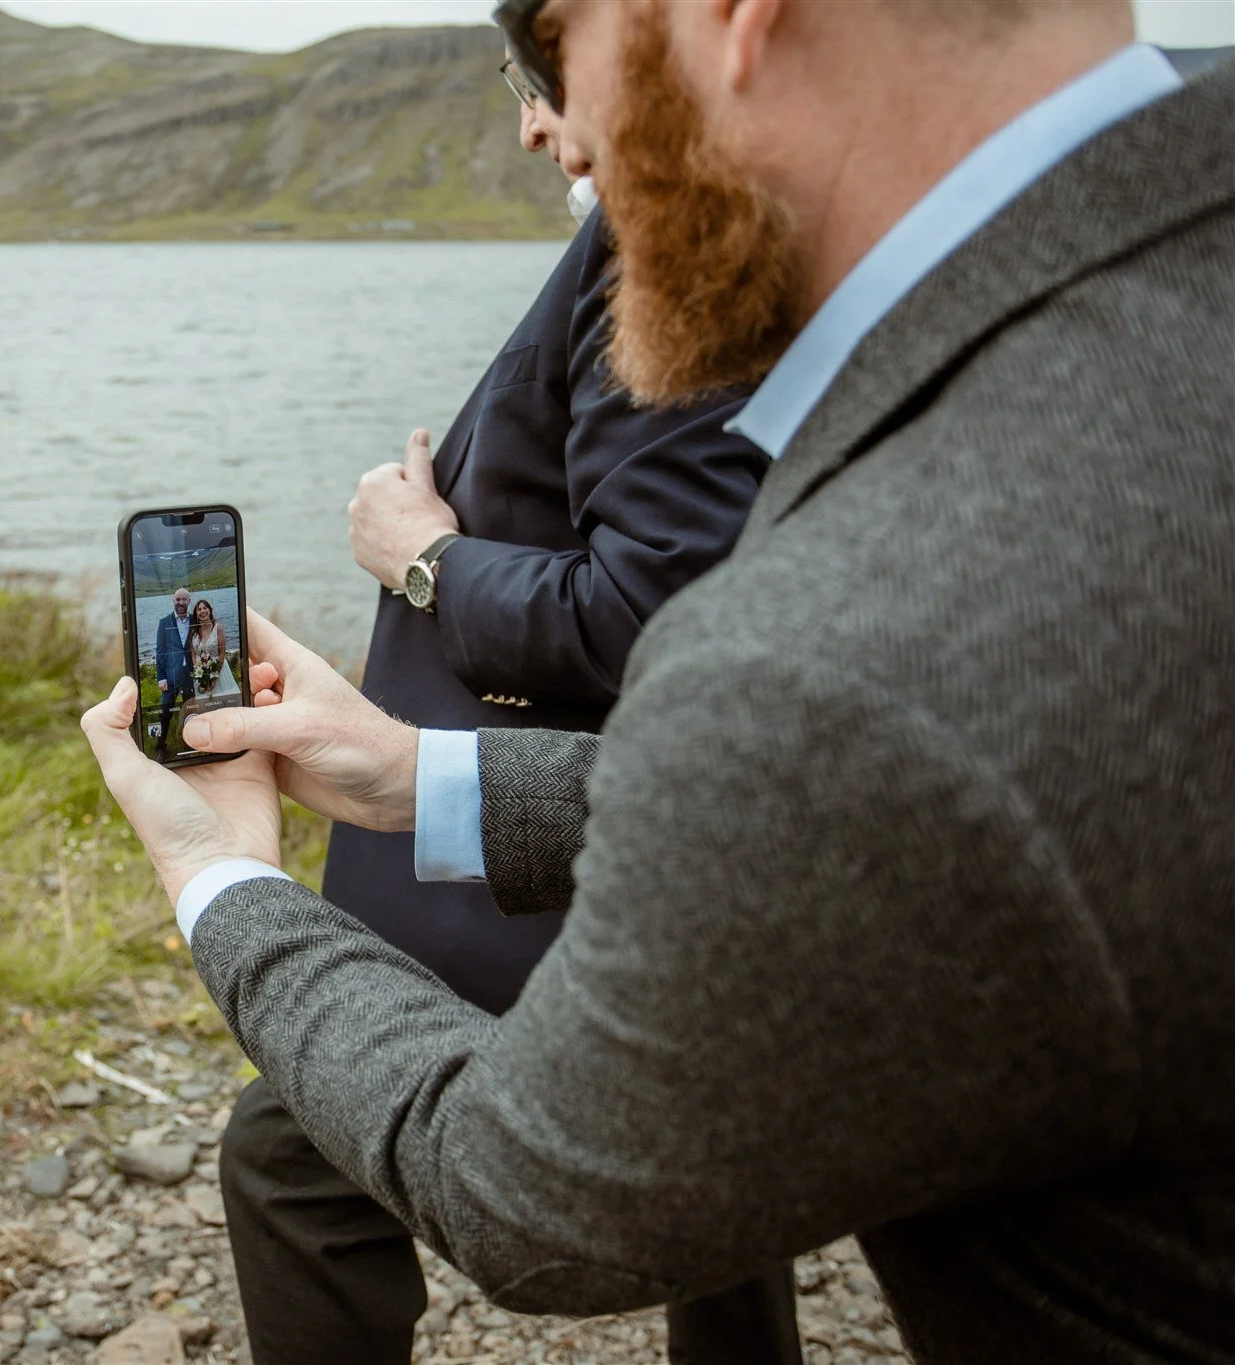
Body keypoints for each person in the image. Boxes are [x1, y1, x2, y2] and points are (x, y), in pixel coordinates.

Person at [86, 0, 1235, 1357]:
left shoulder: (859, 646)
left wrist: (226, 881)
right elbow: (895, 805)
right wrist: (419, 781)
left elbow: (532, 1198)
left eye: (552, 46)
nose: (551, 130)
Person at [218, 62, 788, 1365]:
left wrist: (424, 556)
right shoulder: (695, 230)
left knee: (291, 1145)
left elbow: (653, 600)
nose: (529, 123)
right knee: (731, 1169)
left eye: (538, 78)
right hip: (593, 836)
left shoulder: (664, 247)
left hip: (542, 872)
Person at [150, 586, 196, 759]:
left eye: (184, 599)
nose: (181, 603)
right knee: (164, 712)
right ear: (173, 601)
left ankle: (189, 743)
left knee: (190, 710)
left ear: (189, 601)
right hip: (170, 676)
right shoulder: (164, 623)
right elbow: (160, 652)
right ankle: (159, 747)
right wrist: (161, 677)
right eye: (178, 600)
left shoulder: (195, 620)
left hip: (190, 675)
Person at [187, 599, 238, 700]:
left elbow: (222, 654)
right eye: (199, 609)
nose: (202, 611)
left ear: (210, 610)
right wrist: (198, 670)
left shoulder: (218, 628)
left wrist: (214, 678)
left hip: (219, 671)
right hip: (201, 674)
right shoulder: (193, 631)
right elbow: (193, 654)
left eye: (205, 608)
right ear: (196, 614)